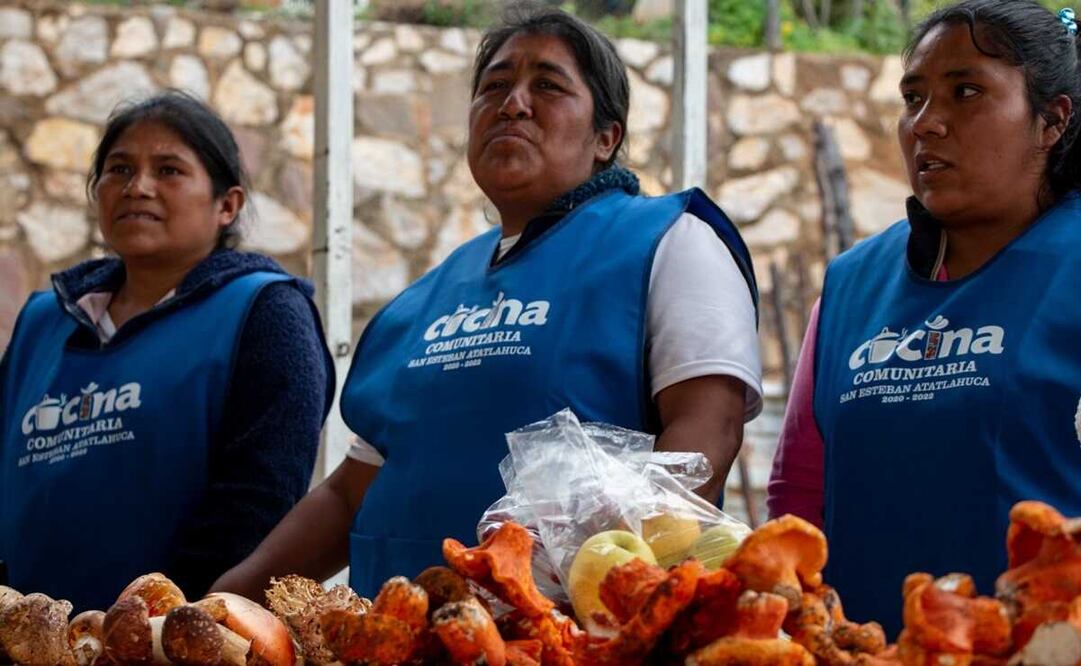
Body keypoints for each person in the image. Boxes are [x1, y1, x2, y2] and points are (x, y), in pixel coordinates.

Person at [213, 5, 761, 601]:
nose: (513, 103)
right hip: (395, 638)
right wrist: (227, 596)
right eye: (494, 86)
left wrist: (595, 608)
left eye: (547, 85)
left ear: (607, 137)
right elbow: (349, 494)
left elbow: (709, 430)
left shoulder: (668, 239)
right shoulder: (420, 302)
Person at [768, 0, 1081, 635]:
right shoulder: (852, 285)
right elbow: (799, 494)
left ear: (1051, 121)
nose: (926, 124)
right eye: (913, 98)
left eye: (966, 92)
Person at [0, 91, 335, 611]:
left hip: (174, 640)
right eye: (118, 169)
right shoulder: (42, 322)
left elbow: (257, 502)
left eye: (169, 170)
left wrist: (154, 630)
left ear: (228, 205)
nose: (138, 187)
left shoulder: (265, 312)